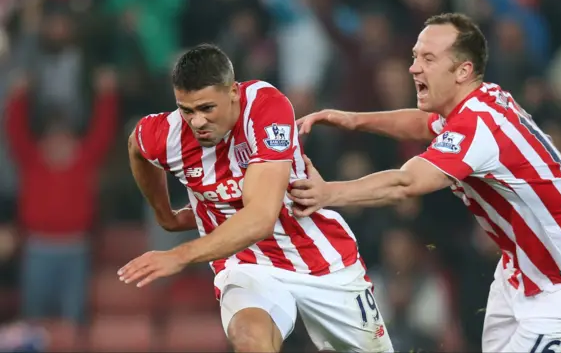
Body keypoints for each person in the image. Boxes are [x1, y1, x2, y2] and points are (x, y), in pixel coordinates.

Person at [290, 13, 561, 353]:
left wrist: (328, 193)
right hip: (521, 272)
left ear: (463, 71)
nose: (413, 68)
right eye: (415, 56)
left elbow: (406, 183)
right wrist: (354, 120)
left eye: (428, 58)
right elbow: (423, 124)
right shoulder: (478, 100)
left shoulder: (476, 126)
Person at [117, 44, 393, 353]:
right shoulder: (166, 134)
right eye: (187, 109)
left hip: (319, 258)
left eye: (207, 108)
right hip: (246, 262)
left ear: (233, 92)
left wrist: (178, 255)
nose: (197, 122)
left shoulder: (266, 107)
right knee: (250, 339)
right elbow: (137, 147)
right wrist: (164, 215)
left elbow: (261, 217)